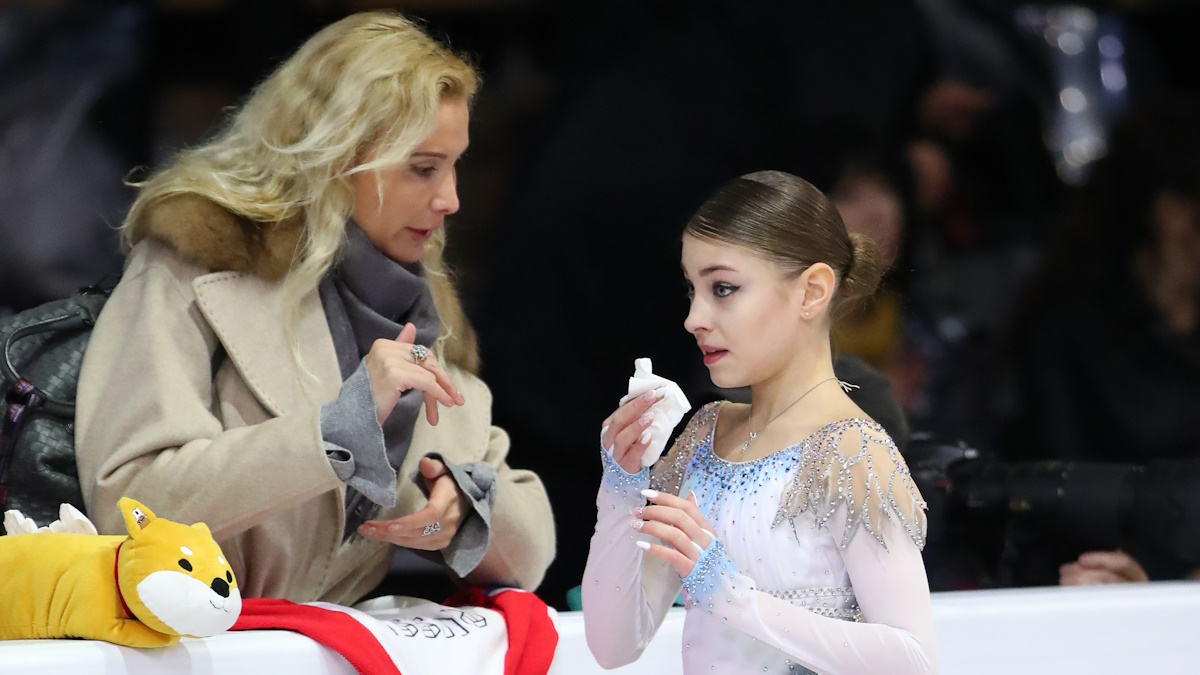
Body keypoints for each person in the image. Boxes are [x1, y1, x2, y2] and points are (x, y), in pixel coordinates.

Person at [72, 11, 554, 606]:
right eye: (424, 168)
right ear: (336, 157)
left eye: (456, 165)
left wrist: (468, 507)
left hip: (323, 645)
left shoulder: (425, 316)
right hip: (185, 644)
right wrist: (335, 432)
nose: (451, 198)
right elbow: (129, 507)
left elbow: (532, 559)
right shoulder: (195, 265)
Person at [582, 171, 938, 674]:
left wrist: (734, 598)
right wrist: (621, 487)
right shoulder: (703, 436)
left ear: (812, 291)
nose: (694, 318)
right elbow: (613, 647)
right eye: (692, 289)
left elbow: (914, 660)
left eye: (723, 288)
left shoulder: (851, 449)